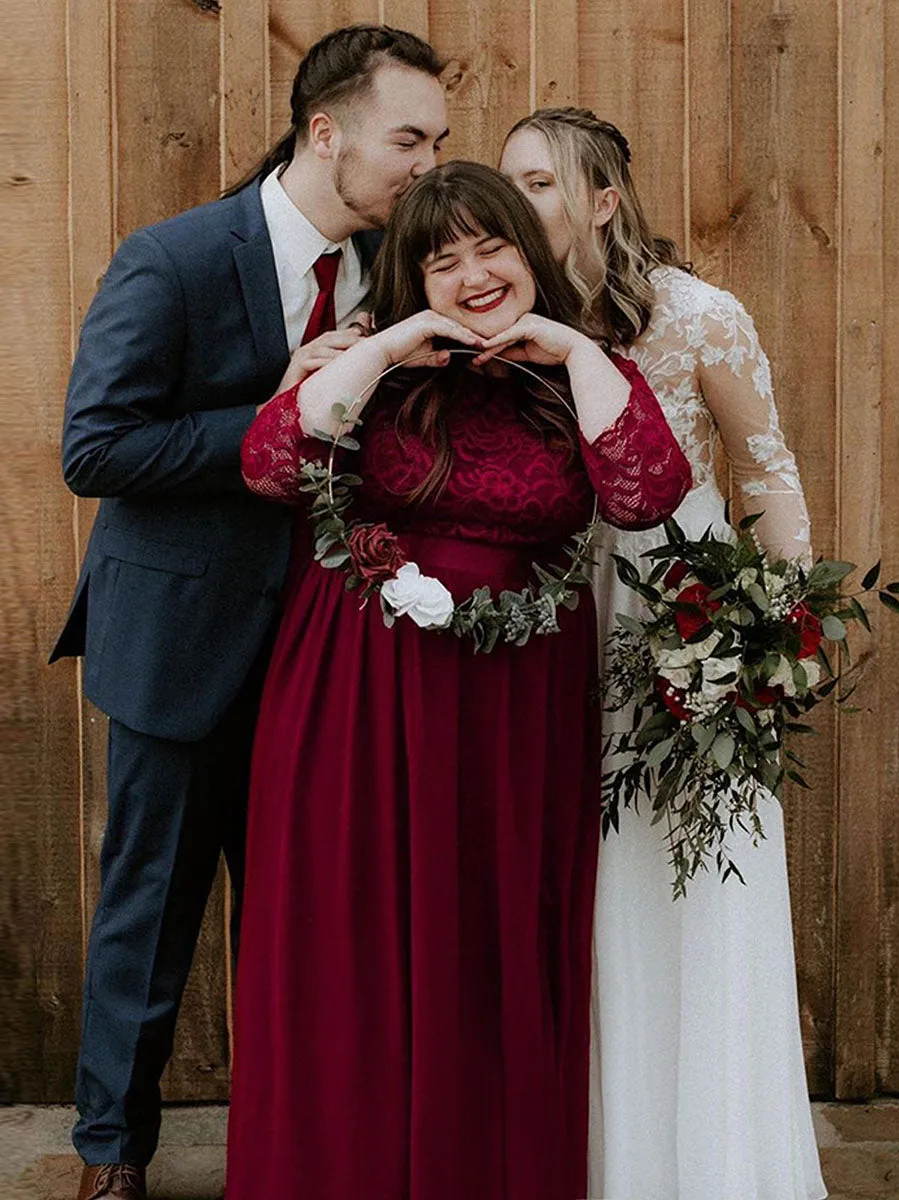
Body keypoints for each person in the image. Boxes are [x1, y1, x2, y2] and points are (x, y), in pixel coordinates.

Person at [224, 160, 692, 1200]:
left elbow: (646, 490)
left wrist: (571, 347)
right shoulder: (369, 367)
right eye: (444, 262)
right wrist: (386, 343)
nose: (476, 276)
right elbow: (270, 465)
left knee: (487, 938)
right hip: (358, 687)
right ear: (412, 279)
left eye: (495, 250)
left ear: (529, 257)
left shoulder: (582, 372)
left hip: (515, 701)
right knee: (354, 940)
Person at [51, 24, 448, 1200]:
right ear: (325, 133)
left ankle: (312, 1151)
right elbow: (95, 447)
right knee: (152, 907)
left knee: (314, 923)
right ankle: (110, 1154)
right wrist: (277, 410)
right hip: (183, 640)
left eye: (440, 140)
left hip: (338, 651)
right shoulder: (171, 259)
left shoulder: (401, 270)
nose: (427, 163)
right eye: (408, 139)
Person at [501, 107, 828, 1200]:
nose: (523, 202)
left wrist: (777, 644)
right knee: (572, 893)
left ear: (603, 199)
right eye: (513, 183)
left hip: (678, 618)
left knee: (684, 895)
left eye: (543, 183)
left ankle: (709, 1169)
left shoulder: (699, 318)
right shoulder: (506, 319)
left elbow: (769, 481)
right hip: (547, 616)